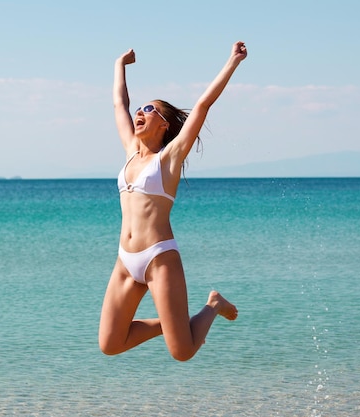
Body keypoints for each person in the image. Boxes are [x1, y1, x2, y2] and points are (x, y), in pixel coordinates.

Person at [98, 41, 248, 361]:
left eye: (148, 109)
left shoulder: (168, 159)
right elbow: (118, 104)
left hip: (159, 258)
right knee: (110, 343)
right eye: (140, 108)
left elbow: (203, 105)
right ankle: (169, 324)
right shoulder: (130, 152)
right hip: (125, 259)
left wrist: (232, 62)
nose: (140, 112)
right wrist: (118, 65)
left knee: (183, 352)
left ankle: (213, 305)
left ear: (164, 124)